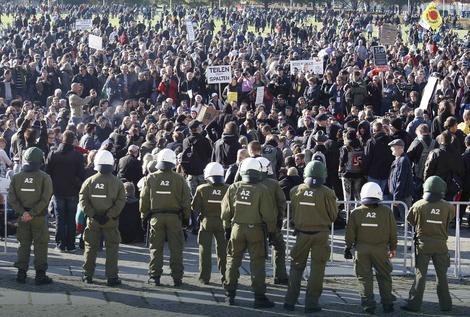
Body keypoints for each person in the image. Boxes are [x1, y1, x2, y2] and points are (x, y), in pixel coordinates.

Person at [284, 161, 338, 313]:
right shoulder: (327, 192)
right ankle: (311, 304)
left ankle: (290, 301)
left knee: (296, 268)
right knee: (317, 270)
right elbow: (333, 216)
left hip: (302, 234)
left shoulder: (296, 190)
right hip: (320, 234)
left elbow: (293, 212)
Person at [221, 157, 276, 308]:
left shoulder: (234, 187)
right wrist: (271, 232)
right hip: (256, 230)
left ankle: (229, 294)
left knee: (233, 260)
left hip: (236, 229)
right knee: (257, 263)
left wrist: (227, 228)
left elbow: (225, 211)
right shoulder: (262, 189)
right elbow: (268, 215)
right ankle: (259, 297)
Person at [401, 176, 455, 313]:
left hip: (423, 244)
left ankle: (414, 304)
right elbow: (450, 219)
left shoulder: (418, 205)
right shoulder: (449, 207)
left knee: (420, 275)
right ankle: (446, 305)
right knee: (442, 276)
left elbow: (411, 221)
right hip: (441, 245)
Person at [140, 148, 191, 287]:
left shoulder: (151, 178)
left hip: (156, 217)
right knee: (176, 248)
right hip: (175, 218)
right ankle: (177, 278)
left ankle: (154, 276)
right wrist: (186, 217)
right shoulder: (179, 178)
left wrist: (144, 216)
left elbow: (144, 199)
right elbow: (187, 200)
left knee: (156, 248)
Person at [344, 182, 397, 314]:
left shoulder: (356, 212)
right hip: (381, 250)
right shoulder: (386, 212)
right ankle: (387, 304)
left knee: (364, 278)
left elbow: (350, 233)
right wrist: (393, 247)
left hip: (361, 250)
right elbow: (393, 232)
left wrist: (348, 247)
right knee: (384, 276)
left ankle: (368, 306)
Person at [79, 149, 126, 286]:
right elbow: (121, 201)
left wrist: (93, 214)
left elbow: (83, 200)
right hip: (110, 222)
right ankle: (112, 277)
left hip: (93, 221)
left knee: (90, 248)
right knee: (112, 249)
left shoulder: (89, 181)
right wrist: (109, 215)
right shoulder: (117, 182)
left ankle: (88, 275)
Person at [8, 147, 53, 285]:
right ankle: (40, 275)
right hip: (38, 217)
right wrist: (32, 213)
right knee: (41, 245)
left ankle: (21, 274)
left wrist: (23, 213)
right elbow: (46, 199)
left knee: (23, 245)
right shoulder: (45, 177)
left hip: (23, 218)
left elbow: (12, 198)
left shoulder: (16, 177)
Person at [46, 130, 85, 252]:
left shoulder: (53, 154)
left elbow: (48, 173)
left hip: (58, 191)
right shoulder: (77, 156)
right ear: (73, 140)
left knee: (60, 219)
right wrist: (76, 184)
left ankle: (60, 244)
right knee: (71, 219)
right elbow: (81, 175)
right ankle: (70, 244)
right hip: (72, 191)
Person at [191, 162, 228, 285]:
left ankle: (204, 277)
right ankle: (225, 276)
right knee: (223, 251)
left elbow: (195, 207)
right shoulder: (228, 188)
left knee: (204, 250)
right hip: (223, 223)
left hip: (206, 222)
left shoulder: (202, 188)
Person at [256, 157, 288, 284]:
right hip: (272, 223)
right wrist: (280, 219)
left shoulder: (246, 183)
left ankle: (258, 279)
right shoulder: (273, 183)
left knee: (257, 253)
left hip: (253, 223)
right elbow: (281, 202)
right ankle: (280, 275)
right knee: (279, 246)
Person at [363, 122, 394, 191]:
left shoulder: (371, 142)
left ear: (374, 130)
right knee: (381, 194)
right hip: (385, 172)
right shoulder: (389, 140)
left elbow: (367, 158)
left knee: (373, 195)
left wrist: (365, 171)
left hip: (373, 173)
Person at [388, 139, 413, 220]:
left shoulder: (403, 161)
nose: (391, 149)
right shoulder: (399, 159)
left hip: (402, 196)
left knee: (406, 218)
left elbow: (401, 180)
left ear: (400, 148)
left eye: (393, 147)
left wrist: (396, 198)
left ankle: (410, 232)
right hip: (399, 194)